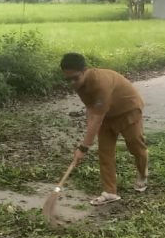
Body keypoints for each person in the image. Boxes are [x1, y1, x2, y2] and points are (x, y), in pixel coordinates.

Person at [61, 52, 148, 205]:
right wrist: (89, 133)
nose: (72, 83)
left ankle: (142, 174)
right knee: (105, 151)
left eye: (75, 78)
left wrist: (83, 147)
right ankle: (110, 192)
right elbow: (90, 108)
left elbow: (97, 118)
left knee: (135, 146)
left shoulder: (100, 83)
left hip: (128, 109)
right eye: (68, 79)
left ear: (84, 70)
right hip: (107, 115)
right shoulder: (79, 85)